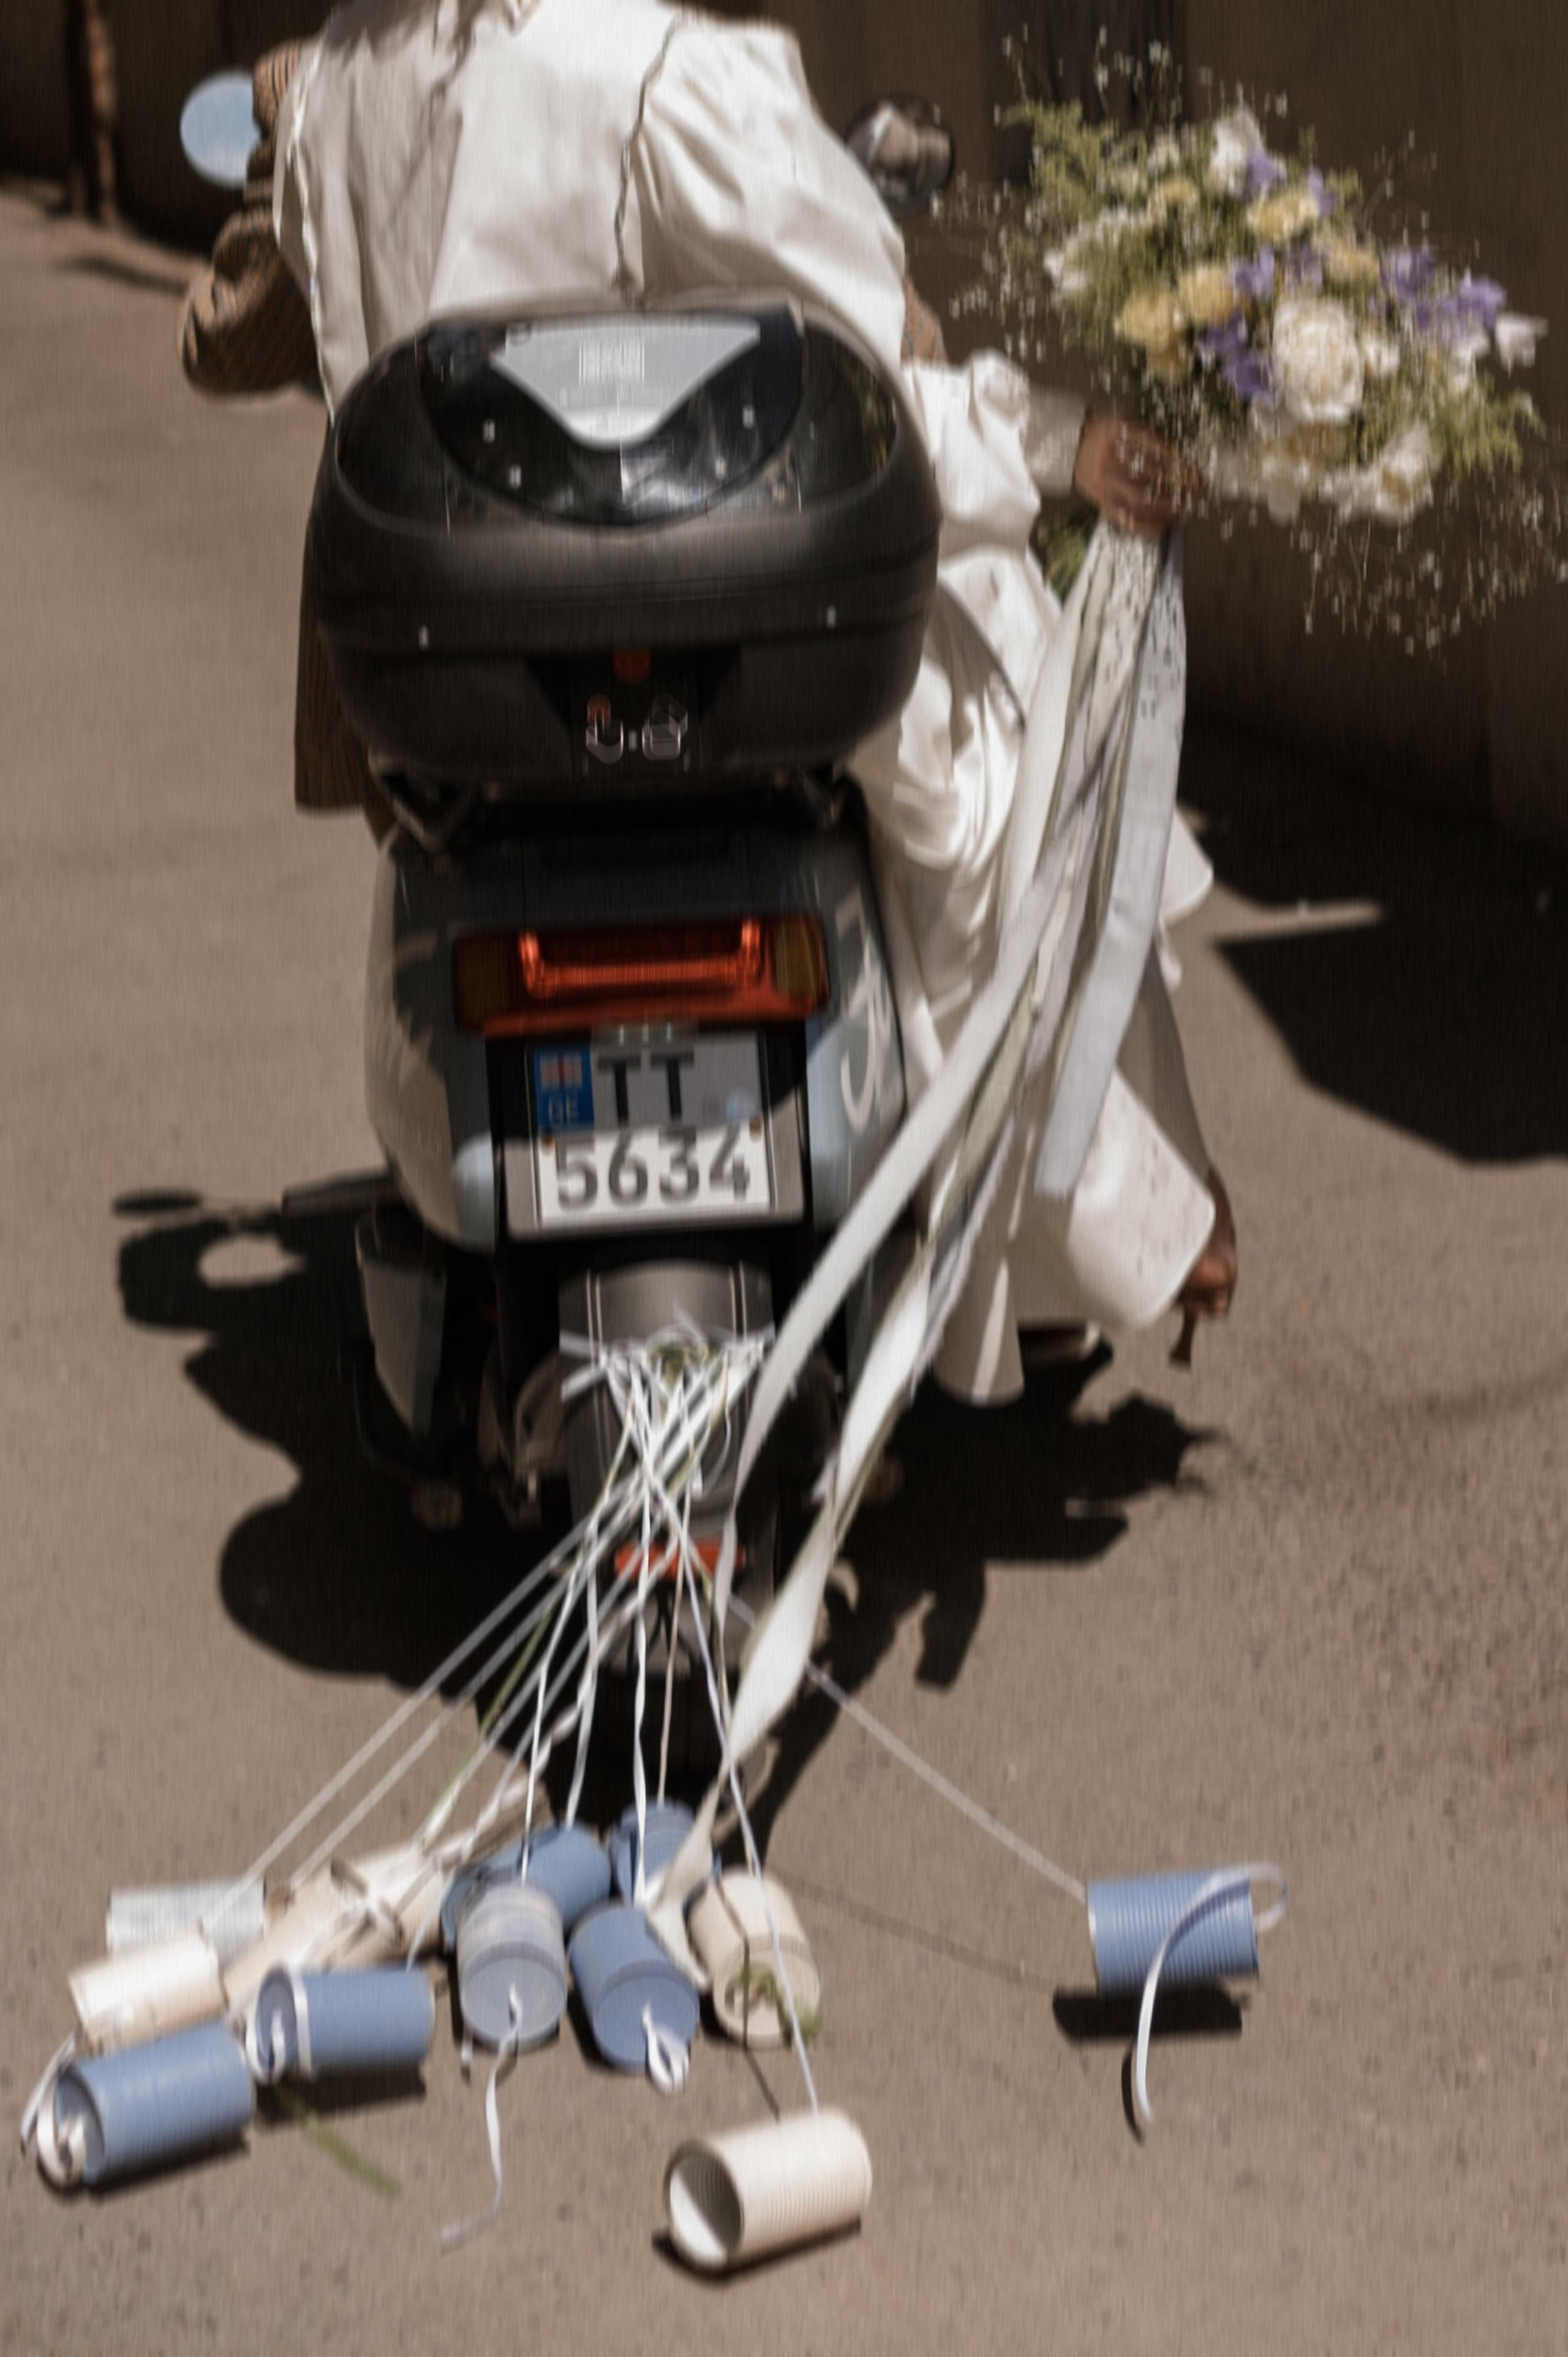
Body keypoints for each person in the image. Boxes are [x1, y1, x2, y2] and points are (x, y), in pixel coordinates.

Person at [189, 0, 1235, 1383]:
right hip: (710, 642)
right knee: (1010, 745)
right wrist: (1058, 439)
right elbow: (863, 383)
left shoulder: (328, 94)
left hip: (470, 686)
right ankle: (1098, 1223)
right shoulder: (659, 74)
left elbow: (232, 345)